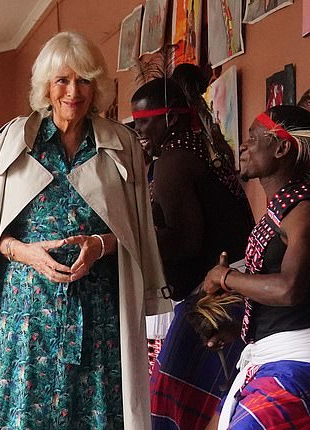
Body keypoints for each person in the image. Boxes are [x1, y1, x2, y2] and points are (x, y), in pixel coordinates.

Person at [0, 31, 171, 430]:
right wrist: (26, 252)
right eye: (63, 80)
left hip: (99, 308)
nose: (74, 91)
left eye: (85, 80)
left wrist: (100, 244)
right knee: (22, 409)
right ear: (46, 86)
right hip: (26, 311)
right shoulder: (14, 141)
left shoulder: (120, 144)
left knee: (97, 409)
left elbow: (137, 232)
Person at [131, 78, 254, 429]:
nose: (138, 130)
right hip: (229, 290)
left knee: (173, 406)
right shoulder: (201, 147)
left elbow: (186, 241)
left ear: (169, 120)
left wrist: (129, 241)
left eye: (143, 121)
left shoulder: (174, 161)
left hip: (213, 296)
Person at [203, 105, 310, 429]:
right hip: (270, 357)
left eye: (253, 137)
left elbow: (290, 289)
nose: (244, 146)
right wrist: (239, 331)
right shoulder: (283, 209)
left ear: (281, 147)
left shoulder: (303, 209)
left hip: (294, 365)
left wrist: (226, 278)